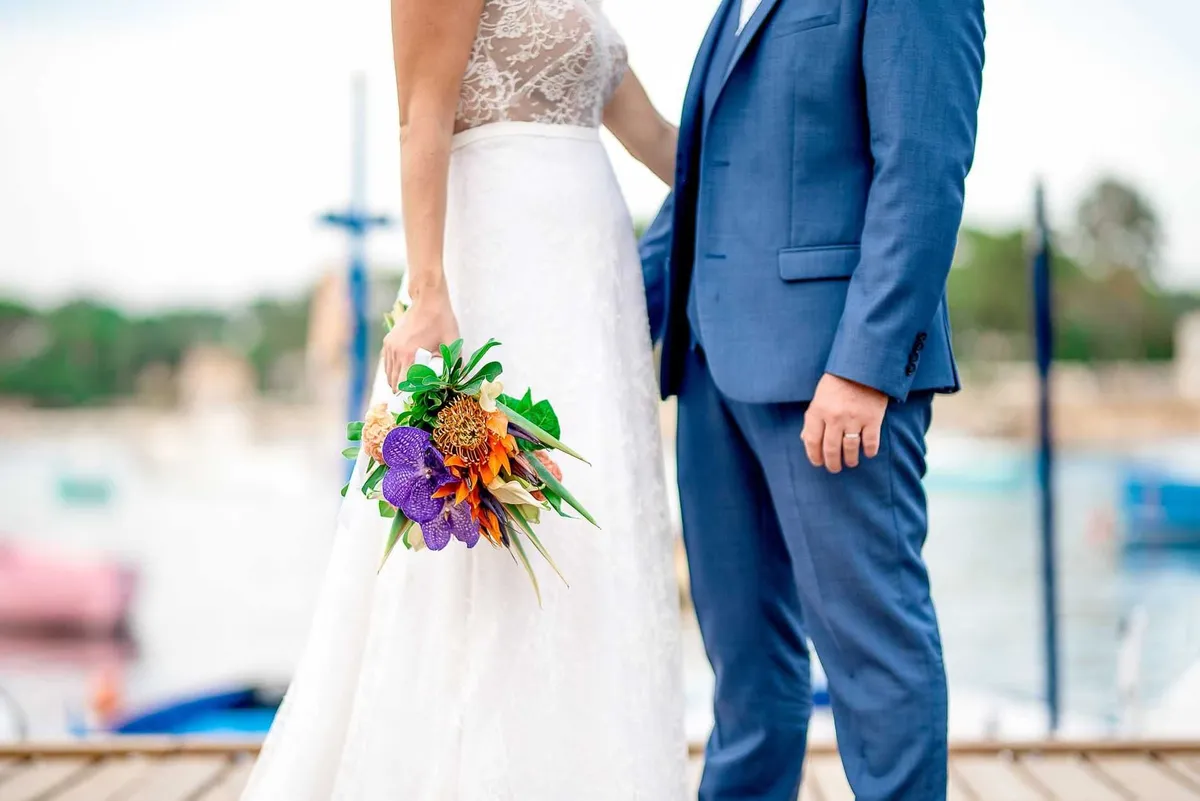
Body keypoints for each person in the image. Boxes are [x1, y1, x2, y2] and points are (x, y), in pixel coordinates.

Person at [239, 1, 687, 799]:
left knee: (594, 535)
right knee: (483, 548)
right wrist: (429, 290)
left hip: (592, 295)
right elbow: (421, 115)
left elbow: (656, 139)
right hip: (501, 273)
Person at [639, 0, 985, 799]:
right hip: (707, 370)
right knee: (747, 671)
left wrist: (864, 367)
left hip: (833, 378)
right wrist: (609, 321)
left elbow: (925, 167)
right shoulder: (731, 10)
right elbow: (700, 189)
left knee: (873, 655)